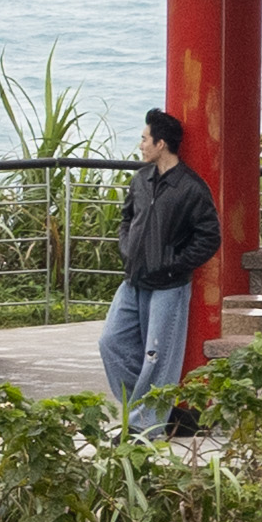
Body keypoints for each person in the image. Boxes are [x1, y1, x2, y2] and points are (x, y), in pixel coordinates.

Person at [98, 104, 219, 429]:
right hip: (133, 280)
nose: (140, 145)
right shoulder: (141, 179)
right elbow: (127, 218)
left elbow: (210, 237)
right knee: (110, 342)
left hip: (168, 285)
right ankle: (145, 410)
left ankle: (143, 428)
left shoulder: (191, 188)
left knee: (157, 357)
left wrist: (173, 264)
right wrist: (126, 249)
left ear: (160, 144)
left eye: (144, 139)